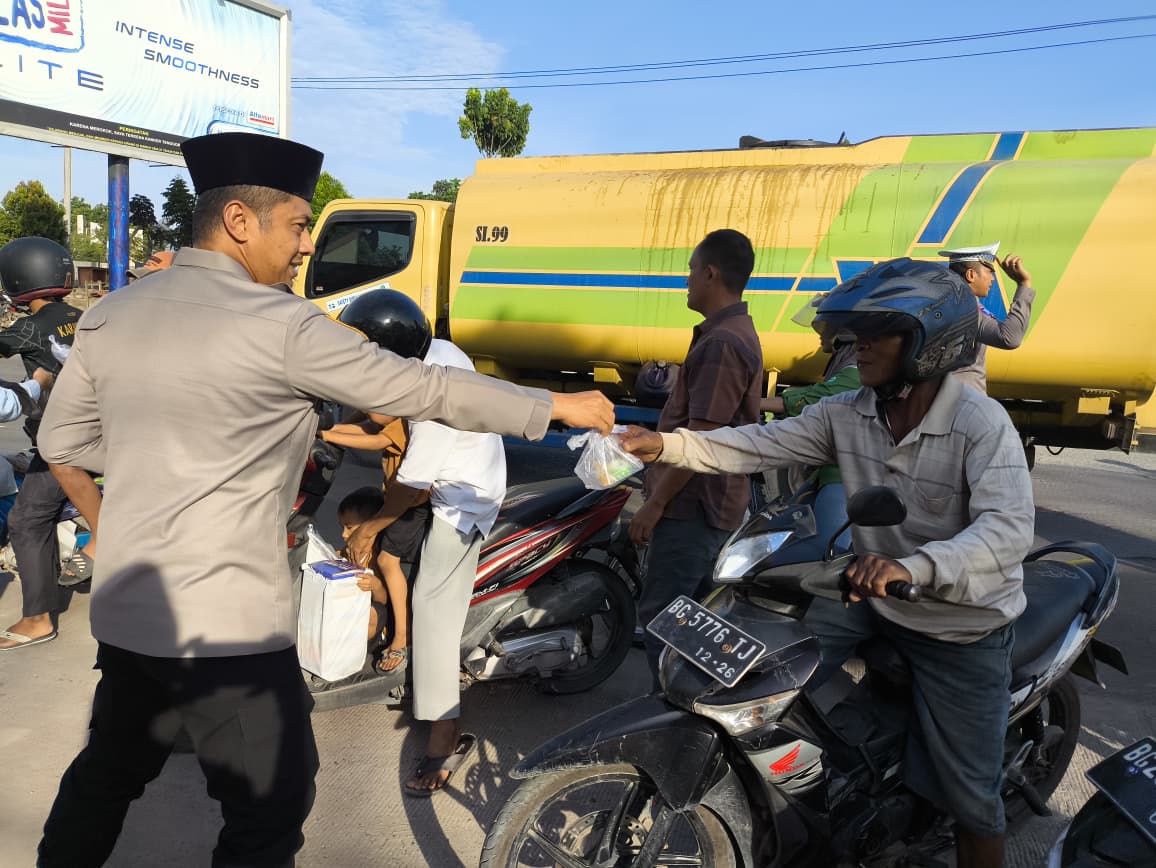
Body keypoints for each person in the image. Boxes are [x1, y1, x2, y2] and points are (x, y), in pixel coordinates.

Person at [36, 131, 614, 868]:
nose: (306, 245)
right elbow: (424, 387)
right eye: (299, 225)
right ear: (240, 221)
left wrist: (117, 525)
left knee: (107, 774)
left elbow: (63, 445)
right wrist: (554, 405)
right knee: (272, 806)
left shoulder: (112, 314)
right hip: (224, 628)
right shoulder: (280, 325)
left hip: (129, 610)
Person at [619, 258, 1034, 868]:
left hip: (959, 623)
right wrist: (667, 444)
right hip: (873, 598)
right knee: (762, 676)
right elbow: (758, 443)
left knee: (973, 800)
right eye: (855, 332)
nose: (857, 345)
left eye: (877, 333)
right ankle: (820, 794)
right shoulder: (851, 411)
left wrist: (912, 568)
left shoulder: (980, 423)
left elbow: (1006, 530)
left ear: (925, 342)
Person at [337, 288, 507, 796]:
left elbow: (408, 488)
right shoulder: (432, 352)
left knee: (432, 611)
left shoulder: (429, 397)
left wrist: (366, 529)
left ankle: (446, 737)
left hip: (463, 499)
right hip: (448, 481)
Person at [628, 228, 764, 683]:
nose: (686, 280)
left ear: (710, 273)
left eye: (690, 270)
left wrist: (656, 504)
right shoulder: (727, 333)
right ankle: (699, 710)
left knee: (664, 614)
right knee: (699, 615)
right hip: (709, 502)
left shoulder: (724, 342)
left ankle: (671, 715)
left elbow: (703, 438)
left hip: (696, 506)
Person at [0, 237, 83, 651]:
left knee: (26, 520)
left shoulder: (30, 326)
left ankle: (36, 619)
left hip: (62, 443)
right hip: (98, 434)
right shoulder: (81, 316)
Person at [322, 411, 421, 671]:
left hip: (409, 503)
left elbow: (375, 440)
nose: (345, 534)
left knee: (388, 562)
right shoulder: (349, 551)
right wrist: (326, 428)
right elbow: (365, 427)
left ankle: (401, 634)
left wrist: (327, 434)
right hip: (395, 500)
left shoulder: (401, 423)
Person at [760, 301, 860, 557]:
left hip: (843, 477)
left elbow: (815, 397)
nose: (819, 334)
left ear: (841, 335)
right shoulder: (848, 369)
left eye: (824, 327)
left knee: (826, 552)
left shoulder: (853, 372)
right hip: (824, 473)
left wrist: (751, 402)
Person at [939, 242, 1035, 394]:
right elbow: (1010, 337)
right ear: (971, 275)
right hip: (962, 402)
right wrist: (1024, 285)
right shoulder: (965, 309)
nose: (992, 279)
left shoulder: (946, 303)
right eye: (989, 271)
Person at [335, 486, 393, 643]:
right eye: (342, 527)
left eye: (349, 527)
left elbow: (384, 602)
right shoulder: (344, 554)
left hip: (371, 627)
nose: (343, 534)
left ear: (370, 527)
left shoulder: (380, 558)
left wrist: (376, 586)